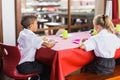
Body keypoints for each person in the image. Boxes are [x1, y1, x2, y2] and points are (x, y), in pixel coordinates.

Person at [17, 15, 56, 80]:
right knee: (48, 68)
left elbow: (30, 41)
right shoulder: (32, 37)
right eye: (36, 23)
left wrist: (38, 39)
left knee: (41, 63)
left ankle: (35, 78)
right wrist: (53, 41)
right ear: (30, 25)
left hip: (19, 63)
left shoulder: (22, 33)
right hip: (27, 66)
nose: (37, 25)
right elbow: (49, 45)